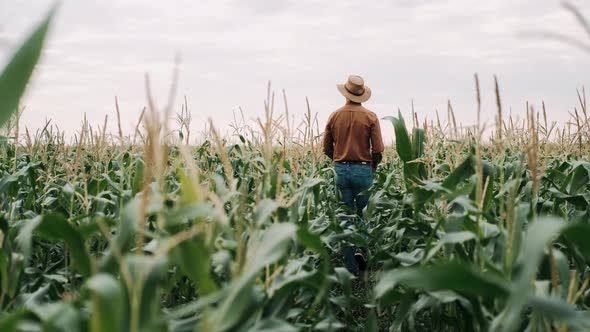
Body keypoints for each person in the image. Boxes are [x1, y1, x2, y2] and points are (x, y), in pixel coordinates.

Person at [322, 74, 384, 275]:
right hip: (364, 169)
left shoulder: (334, 116)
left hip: (340, 169)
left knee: (345, 217)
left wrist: (338, 159)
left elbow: (326, 148)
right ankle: (362, 253)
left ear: (346, 94)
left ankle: (351, 268)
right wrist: (371, 166)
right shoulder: (371, 117)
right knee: (363, 215)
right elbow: (378, 150)